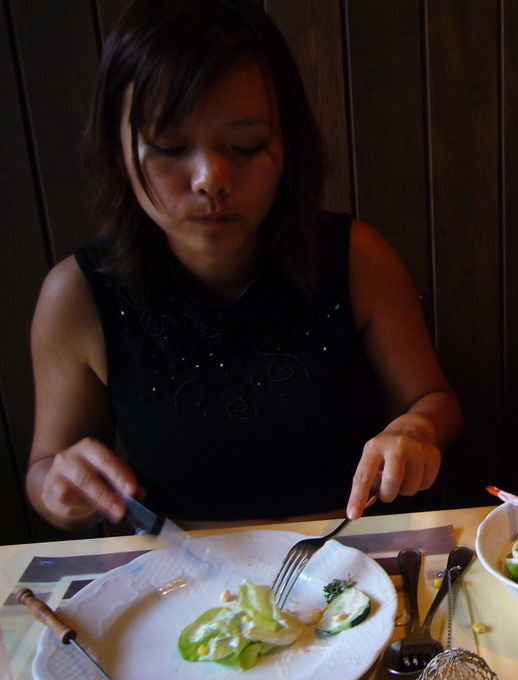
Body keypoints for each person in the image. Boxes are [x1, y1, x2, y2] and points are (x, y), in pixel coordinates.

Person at [25, 0, 462, 532]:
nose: (211, 178)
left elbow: (432, 400)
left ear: (287, 143)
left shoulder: (357, 257)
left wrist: (415, 428)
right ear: (118, 150)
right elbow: (46, 468)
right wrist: (59, 485)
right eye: (170, 147)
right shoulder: (76, 294)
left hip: (345, 561)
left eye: (246, 144)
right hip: (179, 586)